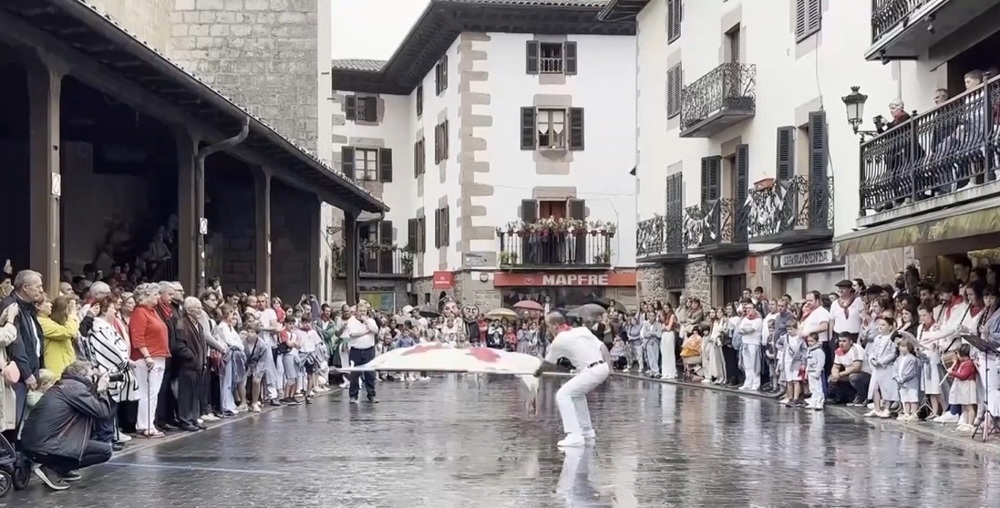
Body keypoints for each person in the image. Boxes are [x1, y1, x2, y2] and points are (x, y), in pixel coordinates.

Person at [19, 360, 114, 491]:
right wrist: (102, 391)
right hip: (44, 446)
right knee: (105, 451)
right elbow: (103, 413)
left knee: (92, 446)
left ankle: (61, 469)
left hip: (35, 444)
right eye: (93, 374)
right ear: (83, 376)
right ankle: (52, 469)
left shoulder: (66, 386)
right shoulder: (75, 389)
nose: (95, 377)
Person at [533, 312, 610, 448]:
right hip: (601, 367)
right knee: (576, 395)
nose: (548, 330)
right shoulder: (582, 330)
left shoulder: (559, 340)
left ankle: (574, 435)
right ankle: (586, 430)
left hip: (592, 371)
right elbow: (602, 347)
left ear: (555, 325)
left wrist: (537, 373)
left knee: (562, 395)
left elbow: (548, 364)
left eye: (548, 326)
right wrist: (610, 367)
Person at [346, 302, 379, 403]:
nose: (362, 313)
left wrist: (367, 323)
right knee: (355, 374)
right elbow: (353, 334)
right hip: (356, 350)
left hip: (369, 350)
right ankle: (353, 396)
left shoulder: (371, 321)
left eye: (364, 311)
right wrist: (366, 331)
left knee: (370, 374)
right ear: (356, 312)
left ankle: (371, 395)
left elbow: (375, 330)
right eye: (360, 311)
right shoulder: (351, 321)